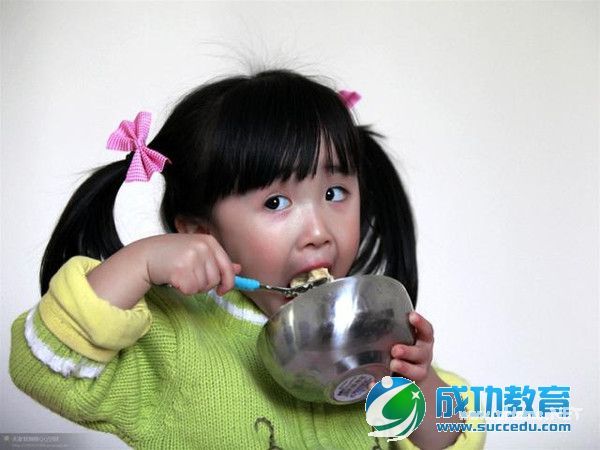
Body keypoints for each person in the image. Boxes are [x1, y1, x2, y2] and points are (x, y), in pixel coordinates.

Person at [10, 69, 485, 449]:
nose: (318, 232)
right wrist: (140, 262)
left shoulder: (370, 333)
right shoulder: (171, 341)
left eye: (335, 193)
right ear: (199, 232)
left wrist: (419, 381)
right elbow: (45, 365)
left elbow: (451, 437)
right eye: (276, 203)